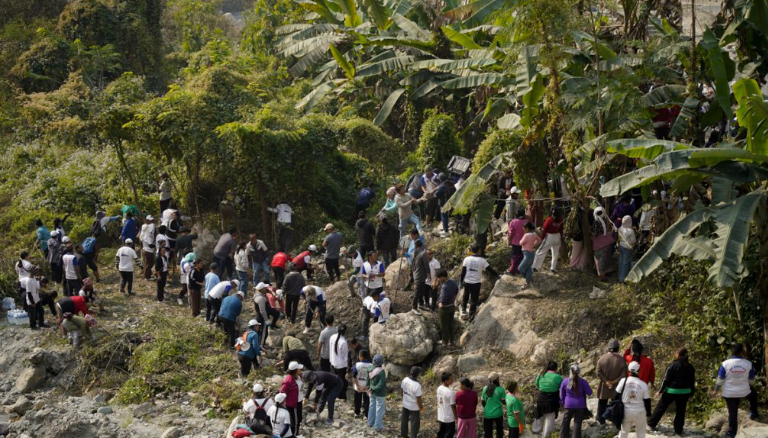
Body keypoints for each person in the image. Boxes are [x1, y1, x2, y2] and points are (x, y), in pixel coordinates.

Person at [714, 343, 758, 437]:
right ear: (742, 352)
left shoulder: (725, 364)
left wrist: (716, 391)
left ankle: (732, 432)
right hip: (744, 391)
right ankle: (753, 412)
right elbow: (752, 381)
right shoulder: (748, 364)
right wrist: (746, 383)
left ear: (732, 352)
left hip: (729, 393)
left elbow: (720, 380)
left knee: (732, 412)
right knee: (753, 394)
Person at [648, 348, 696, 435]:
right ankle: (678, 430)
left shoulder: (672, 365)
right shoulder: (690, 367)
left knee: (661, 407)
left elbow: (665, 380)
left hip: (671, 391)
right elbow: (692, 381)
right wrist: (691, 393)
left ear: (678, 355)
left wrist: (660, 391)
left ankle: (651, 423)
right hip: (685, 392)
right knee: (681, 411)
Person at [460, 244, 499, 321]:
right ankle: (471, 316)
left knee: (466, 295)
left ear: (472, 250)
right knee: (474, 300)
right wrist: (497, 276)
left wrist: (461, 282)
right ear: (479, 250)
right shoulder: (482, 260)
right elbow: (490, 270)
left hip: (467, 281)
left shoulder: (466, 259)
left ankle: (463, 308)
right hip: (476, 283)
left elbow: (463, 272)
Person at [616, 361, 651, 438]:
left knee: (623, 432)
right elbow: (647, 401)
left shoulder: (623, 381)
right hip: (639, 411)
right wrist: (648, 413)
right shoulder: (643, 384)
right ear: (639, 371)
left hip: (625, 411)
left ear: (628, 370)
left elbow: (616, 395)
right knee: (640, 432)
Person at [597, 339, 628, 424]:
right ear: (618, 348)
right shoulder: (621, 360)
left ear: (608, 348)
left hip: (604, 386)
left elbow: (598, 372)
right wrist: (613, 382)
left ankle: (601, 420)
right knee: (615, 403)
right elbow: (623, 375)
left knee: (602, 402)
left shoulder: (602, 358)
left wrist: (606, 381)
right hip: (616, 386)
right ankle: (614, 420)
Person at [559, 363, 593, 438]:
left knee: (565, 421)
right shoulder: (583, 382)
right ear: (579, 371)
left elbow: (562, 393)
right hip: (580, 405)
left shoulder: (565, 381)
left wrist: (562, 402)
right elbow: (590, 392)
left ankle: (563, 436)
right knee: (577, 423)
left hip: (568, 404)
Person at [534, 361, 563, 438]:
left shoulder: (541, 375)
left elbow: (537, 384)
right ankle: (546, 436)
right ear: (556, 368)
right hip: (551, 400)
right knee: (549, 421)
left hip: (541, 399)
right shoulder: (558, 377)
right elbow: (562, 388)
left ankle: (535, 433)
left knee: (539, 417)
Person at [532, 208, 564, 273]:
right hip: (557, 236)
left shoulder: (549, 219)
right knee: (555, 253)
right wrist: (561, 237)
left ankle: (535, 267)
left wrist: (542, 238)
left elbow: (545, 230)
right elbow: (561, 230)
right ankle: (553, 268)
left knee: (540, 252)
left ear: (551, 213)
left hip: (549, 237)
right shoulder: (561, 220)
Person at [592, 207, 616, 281]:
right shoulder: (605, 220)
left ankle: (602, 276)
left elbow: (595, 233)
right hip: (607, 242)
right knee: (606, 258)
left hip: (599, 243)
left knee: (599, 259)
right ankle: (608, 271)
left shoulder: (596, 221)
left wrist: (591, 233)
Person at [280, 361, 304, 434]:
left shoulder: (299, 376)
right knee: (295, 421)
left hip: (299, 401)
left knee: (299, 419)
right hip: (293, 404)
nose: (300, 369)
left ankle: (295, 432)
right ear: (295, 370)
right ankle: (294, 434)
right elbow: (282, 392)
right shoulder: (288, 381)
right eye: (299, 368)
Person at [436, 269, 458, 345]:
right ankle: (451, 341)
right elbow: (456, 291)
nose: (438, 279)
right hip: (452, 306)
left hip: (444, 308)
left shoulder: (444, 286)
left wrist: (440, 305)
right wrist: (453, 300)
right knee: (450, 324)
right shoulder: (453, 281)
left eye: (439, 278)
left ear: (443, 277)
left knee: (444, 326)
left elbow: (442, 301)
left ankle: (444, 341)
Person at [400, 366, 424, 438]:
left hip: (405, 404)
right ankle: (413, 436)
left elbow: (402, 390)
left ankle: (403, 434)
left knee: (404, 420)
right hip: (414, 407)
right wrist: (421, 408)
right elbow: (418, 398)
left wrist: (403, 398)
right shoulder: (417, 385)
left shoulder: (405, 380)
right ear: (418, 374)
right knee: (414, 423)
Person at [517, 222, 542, 288]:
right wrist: (533, 245)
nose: (523, 230)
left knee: (520, 268)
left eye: (524, 228)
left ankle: (528, 278)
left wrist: (523, 238)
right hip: (531, 253)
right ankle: (528, 282)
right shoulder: (534, 234)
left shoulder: (526, 235)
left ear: (527, 228)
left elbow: (520, 243)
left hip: (527, 255)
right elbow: (539, 240)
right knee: (528, 268)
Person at [569, 205, 593, 270]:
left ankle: (573, 265)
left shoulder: (575, 213)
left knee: (576, 251)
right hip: (587, 235)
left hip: (577, 235)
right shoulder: (590, 211)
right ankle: (580, 266)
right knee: (585, 251)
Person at [367, 354, 387, 432]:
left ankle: (370, 423)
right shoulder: (381, 372)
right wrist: (374, 388)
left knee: (372, 407)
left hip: (372, 392)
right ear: (381, 362)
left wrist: (369, 387)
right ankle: (378, 426)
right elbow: (381, 384)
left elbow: (368, 380)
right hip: (379, 393)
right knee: (379, 410)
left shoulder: (370, 368)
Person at [481, 372, 505, 438]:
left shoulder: (485, 388)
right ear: (497, 379)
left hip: (487, 414)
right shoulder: (501, 389)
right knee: (499, 432)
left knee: (488, 433)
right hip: (498, 413)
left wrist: (487, 407)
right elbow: (503, 402)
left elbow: (483, 402)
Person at [329, 324, 349, 401]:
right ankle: (342, 397)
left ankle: (335, 395)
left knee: (335, 381)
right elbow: (345, 356)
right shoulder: (343, 342)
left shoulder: (332, 337)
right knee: (342, 382)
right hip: (341, 366)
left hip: (333, 362)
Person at [353, 349, 373, 419]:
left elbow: (354, 376)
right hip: (367, 387)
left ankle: (357, 412)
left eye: (359, 355)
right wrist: (367, 386)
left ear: (361, 357)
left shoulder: (357, 365)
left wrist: (357, 385)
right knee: (367, 400)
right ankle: (366, 414)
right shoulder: (371, 365)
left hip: (358, 386)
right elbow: (371, 377)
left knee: (357, 400)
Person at [412, 244, 431, 315]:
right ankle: (414, 307)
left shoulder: (412, 254)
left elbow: (412, 265)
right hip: (420, 275)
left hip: (415, 274)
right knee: (417, 291)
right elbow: (426, 264)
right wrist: (428, 273)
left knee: (421, 290)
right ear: (421, 246)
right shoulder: (423, 254)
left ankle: (421, 304)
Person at [506, 208, 526, 275]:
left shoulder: (513, 222)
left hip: (515, 242)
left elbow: (511, 233)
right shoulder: (527, 221)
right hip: (525, 242)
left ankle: (512, 271)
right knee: (522, 256)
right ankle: (519, 270)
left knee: (515, 256)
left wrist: (509, 240)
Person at [437, 372, 457, 438]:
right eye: (451, 379)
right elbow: (453, 405)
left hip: (441, 416)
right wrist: (456, 417)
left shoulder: (439, 388)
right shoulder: (450, 392)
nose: (452, 380)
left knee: (441, 433)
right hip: (449, 417)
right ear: (446, 381)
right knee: (449, 434)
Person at [618, 215, 637, 283]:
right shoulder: (630, 231)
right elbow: (633, 241)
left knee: (621, 261)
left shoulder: (620, 228)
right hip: (627, 248)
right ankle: (623, 279)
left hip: (621, 246)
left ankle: (619, 276)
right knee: (626, 263)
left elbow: (619, 237)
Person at [139, 215, 156, 280]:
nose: (152, 221)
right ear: (147, 220)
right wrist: (156, 246)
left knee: (147, 263)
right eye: (151, 220)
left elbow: (141, 239)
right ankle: (146, 277)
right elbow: (150, 244)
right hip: (148, 251)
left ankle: (148, 275)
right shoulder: (147, 235)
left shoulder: (144, 232)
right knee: (148, 264)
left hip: (145, 250)